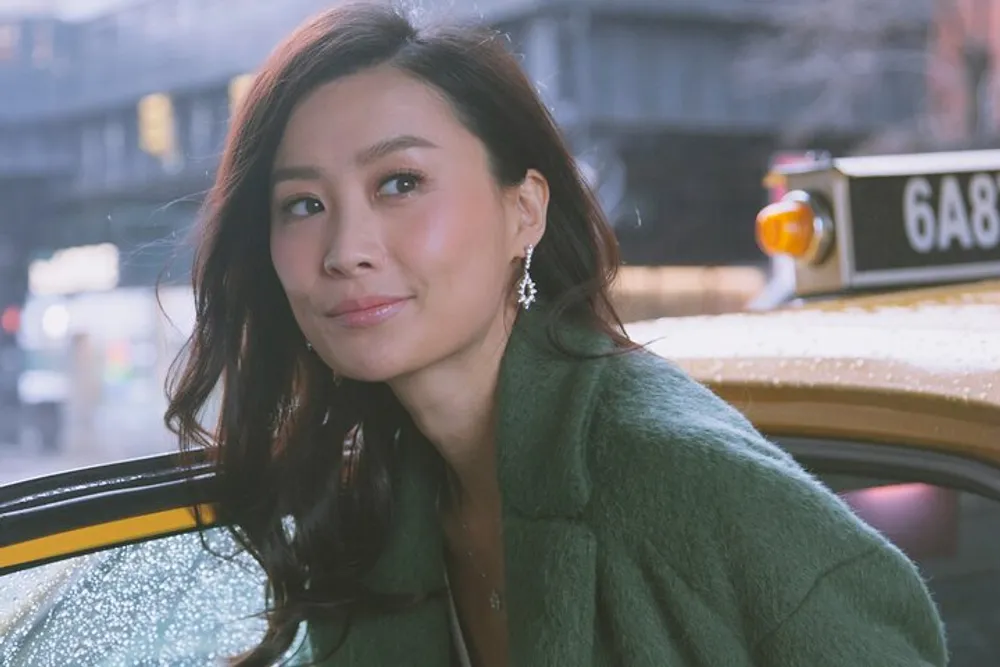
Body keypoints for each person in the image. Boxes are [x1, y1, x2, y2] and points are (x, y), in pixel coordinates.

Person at [165, 3, 948, 666]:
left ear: (524, 211)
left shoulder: (673, 476)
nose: (345, 249)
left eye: (399, 183)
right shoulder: (375, 508)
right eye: (303, 204)